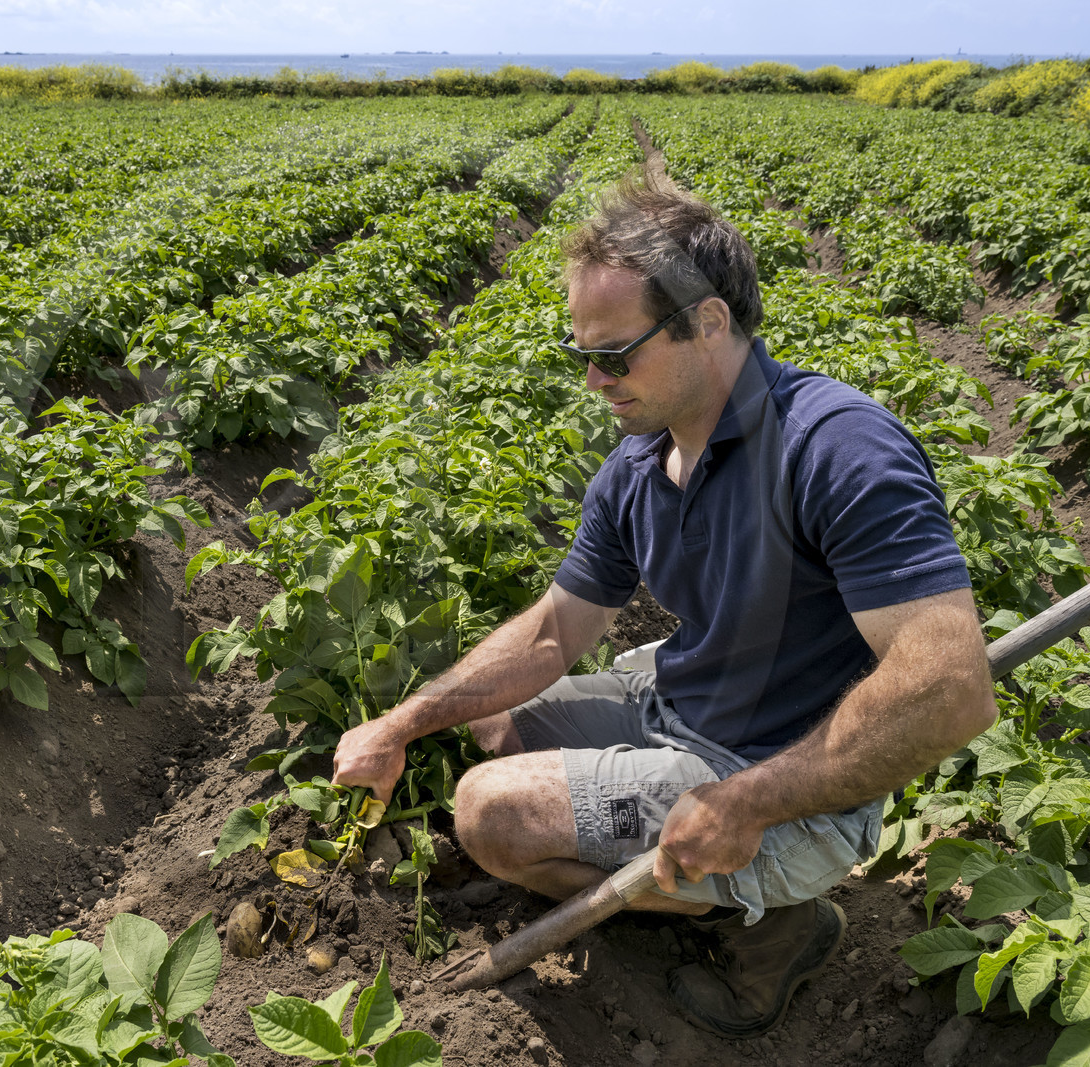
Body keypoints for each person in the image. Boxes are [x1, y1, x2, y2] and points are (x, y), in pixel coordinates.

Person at [330, 173, 998, 1037]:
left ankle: (773, 925)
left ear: (709, 323)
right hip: (683, 708)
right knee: (493, 724)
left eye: (615, 354)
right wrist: (401, 723)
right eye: (582, 355)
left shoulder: (836, 448)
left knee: (488, 812)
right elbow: (550, 632)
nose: (594, 379)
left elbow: (951, 688)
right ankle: (690, 878)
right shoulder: (640, 465)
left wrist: (749, 803)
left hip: (786, 785)